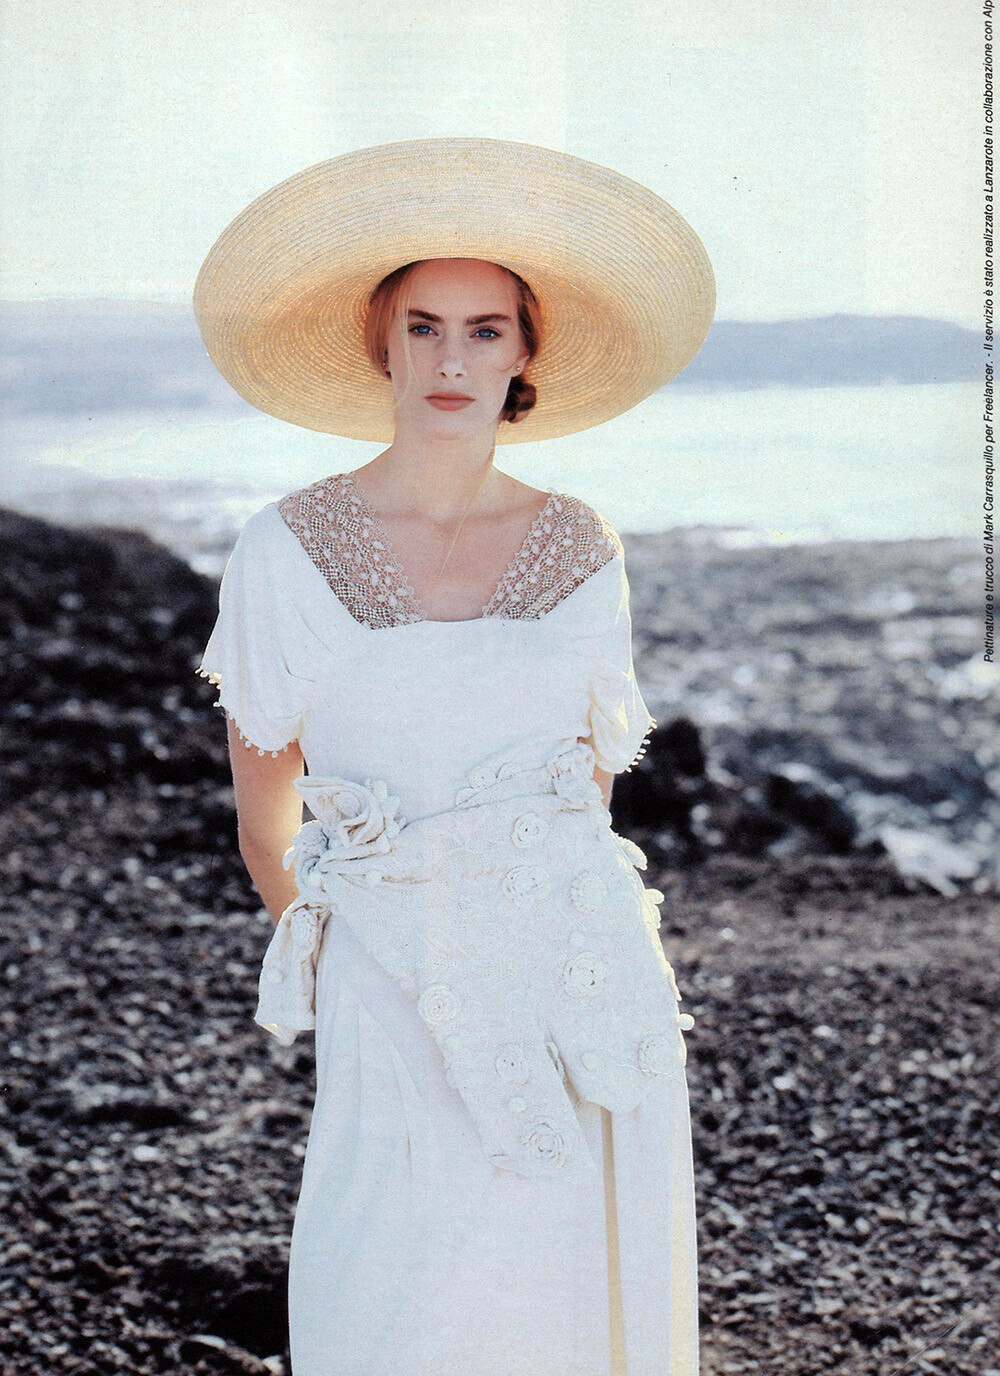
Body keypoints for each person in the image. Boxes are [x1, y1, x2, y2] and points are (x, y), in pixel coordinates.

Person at [193, 137, 715, 1376]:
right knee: (390, 1290)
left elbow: (584, 802)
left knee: (563, 1293)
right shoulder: (283, 549)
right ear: (381, 343)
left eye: (485, 331)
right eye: (423, 327)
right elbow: (265, 821)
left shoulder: (579, 547)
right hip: (386, 975)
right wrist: (361, 967)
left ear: (525, 353)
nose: (450, 359)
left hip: (576, 971)